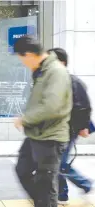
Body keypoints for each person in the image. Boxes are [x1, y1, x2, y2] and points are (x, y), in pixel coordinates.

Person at [13, 36, 72, 207]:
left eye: (22, 59)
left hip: (50, 138)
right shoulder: (41, 71)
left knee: (46, 184)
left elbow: (51, 106)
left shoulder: (55, 72)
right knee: (22, 170)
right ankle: (42, 202)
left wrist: (25, 119)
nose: (23, 63)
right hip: (36, 135)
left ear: (30, 54)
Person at [47, 48, 93, 205]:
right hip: (56, 129)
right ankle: (62, 195)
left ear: (62, 62)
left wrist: (84, 126)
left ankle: (85, 184)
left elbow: (83, 107)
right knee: (56, 162)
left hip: (69, 129)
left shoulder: (72, 82)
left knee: (59, 163)